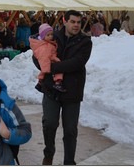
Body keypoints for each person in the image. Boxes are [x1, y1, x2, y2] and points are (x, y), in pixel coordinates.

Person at [32, 10, 92, 165]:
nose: (76, 25)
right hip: (52, 89)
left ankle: (69, 162)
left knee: (70, 130)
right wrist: (43, 64)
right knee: (49, 123)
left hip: (72, 91)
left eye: (78, 22)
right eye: (72, 21)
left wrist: (51, 68)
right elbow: (37, 54)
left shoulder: (85, 41)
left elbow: (77, 63)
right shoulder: (53, 36)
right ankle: (49, 152)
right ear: (65, 21)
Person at [30, 23, 65, 93]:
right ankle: (58, 82)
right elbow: (44, 57)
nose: (50, 37)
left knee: (44, 72)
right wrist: (46, 68)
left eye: (51, 34)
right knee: (59, 66)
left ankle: (40, 82)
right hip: (50, 59)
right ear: (43, 36)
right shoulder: (45, 46)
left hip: (50, 58)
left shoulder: (47, 43)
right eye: (48, 35)